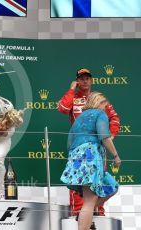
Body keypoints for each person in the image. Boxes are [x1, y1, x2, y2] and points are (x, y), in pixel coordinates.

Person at [58, 68, 120, 216]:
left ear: (91, 80)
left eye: (87, 78)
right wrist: (71, 89)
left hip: (97, 149)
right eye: (81, 78)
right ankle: (79, 216)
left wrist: (109, 137)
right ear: (77, 81)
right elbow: (63, 108)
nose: (85, 81)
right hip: (79, 148)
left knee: (100, 180)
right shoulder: (73, 97)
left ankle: (97, 214)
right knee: (80, 182)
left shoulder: (99, 99)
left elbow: (114, 118)